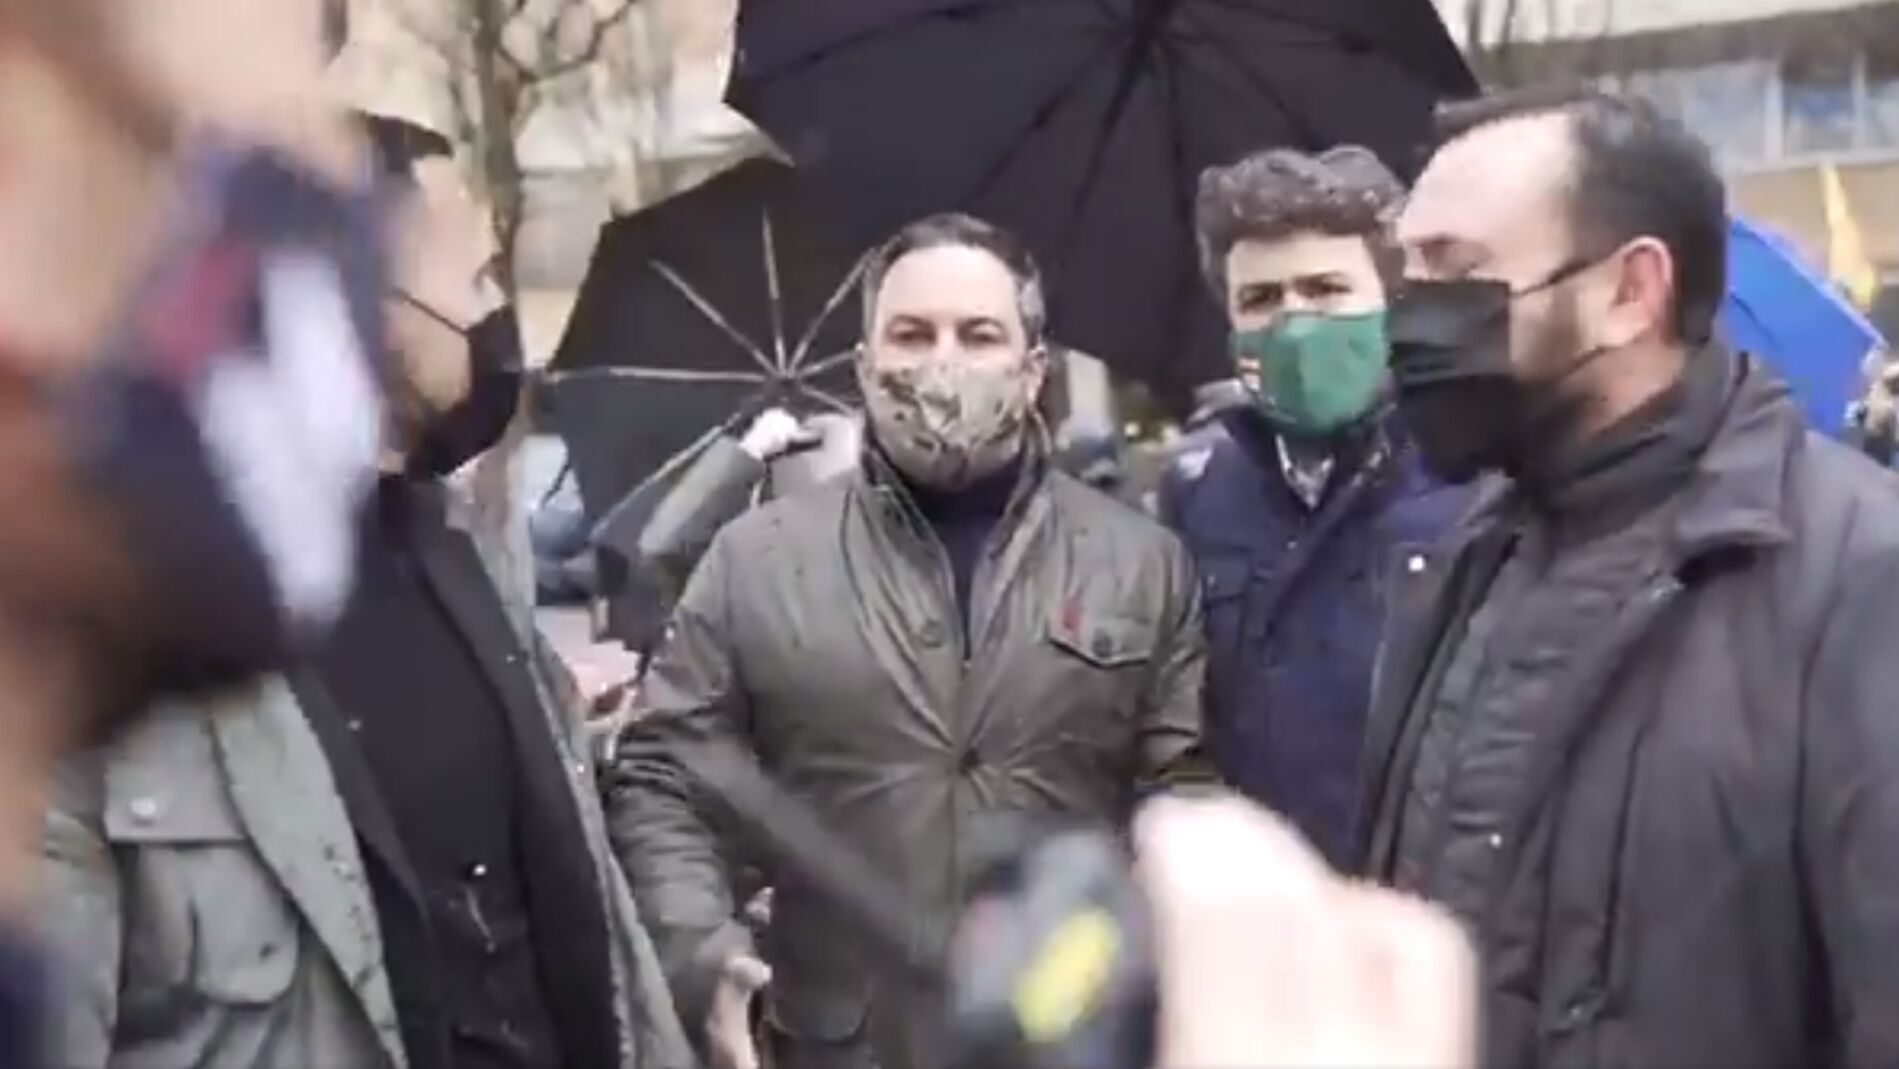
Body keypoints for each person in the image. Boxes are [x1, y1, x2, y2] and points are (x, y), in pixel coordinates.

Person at [39, 122, 693, 1069]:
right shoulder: (120, 639)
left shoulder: (469, 554)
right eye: (475, 279)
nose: (496, 318)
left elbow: (582, 930)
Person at [1356, 85, 1899, 1066]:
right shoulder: (1468, 553)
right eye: (1408, 274)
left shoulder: (1860, 578)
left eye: (1456, 271)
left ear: (1630, 291)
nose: (1410, 319)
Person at [604, 212, 1210, 1069]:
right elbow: (666, 781)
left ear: (1032, 369)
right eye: (912, 334)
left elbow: (1184, 800)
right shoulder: (755, 562)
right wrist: (706, 957)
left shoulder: (1140, 563)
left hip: (1064, 1037)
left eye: (978, 335)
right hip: (839, 1045)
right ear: (864, 366)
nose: (942, 362)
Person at [1159, 146, 1468, 867]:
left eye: (1325, 289)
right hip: (1272, 905)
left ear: (1391, 302)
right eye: (1261, 299)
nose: (1293, 323)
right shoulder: (1198, 492)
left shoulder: (1474, 476)